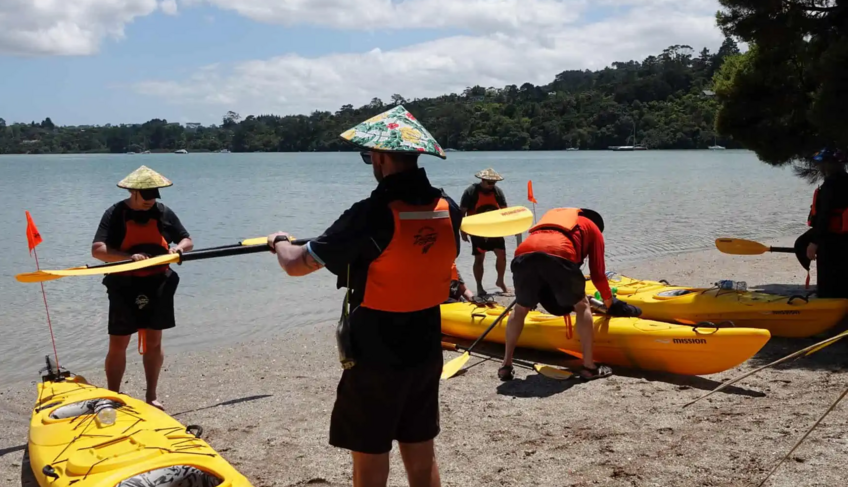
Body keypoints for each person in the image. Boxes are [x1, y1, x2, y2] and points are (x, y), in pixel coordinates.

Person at [265, 106, 461, 487]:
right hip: (426, 344)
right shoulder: (449, 208)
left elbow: (298, 264)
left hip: (376, 350)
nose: (370, 161)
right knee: (420, 454)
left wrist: (280, 243)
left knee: (371, 459)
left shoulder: (370, 214)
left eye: (369, 155)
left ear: (382, 156)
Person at [91, 165, 193, 410]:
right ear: (133, 192)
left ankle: (151, 396)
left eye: (154, 195)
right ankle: (113, 396)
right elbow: (98, 251)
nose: (151, 201)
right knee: (119, 343)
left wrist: (178, 249)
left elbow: (187, 239)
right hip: (123, 284)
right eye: (145, 196)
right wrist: (128, 257)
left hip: (158, 282)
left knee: (154, 341)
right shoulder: (115, 214)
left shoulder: (162, 212)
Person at [498, 207, 640, 382]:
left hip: (522, 254)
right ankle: (589, 367)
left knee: (521, 308)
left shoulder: (558, 221)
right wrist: (610, 303)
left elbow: (542, 264)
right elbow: (598, 275)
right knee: (582, 305)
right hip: (560, 253)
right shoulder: (593, 230)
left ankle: (506, 365)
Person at [805, 148, 848, 298]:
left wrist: (815, 242)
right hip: (844, 236)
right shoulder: (845, 180)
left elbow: (824, 216)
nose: (818, 167)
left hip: (831, 237)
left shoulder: (830, 186)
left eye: (820, 164)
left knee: (829, 276)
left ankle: (829, 301)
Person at [459, 168, 509, 295]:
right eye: (489, 183)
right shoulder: (471, 192)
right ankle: (480, 286)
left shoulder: (497, 192)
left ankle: (500, 281)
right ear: (482, 180)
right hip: (477, 230)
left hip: (494, 229)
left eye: (494, 182)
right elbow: (461, 212)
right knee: (479, 258)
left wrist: (510, 226)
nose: (492, 185)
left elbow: (504, 210)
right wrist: (462, 231)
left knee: (502, 255)